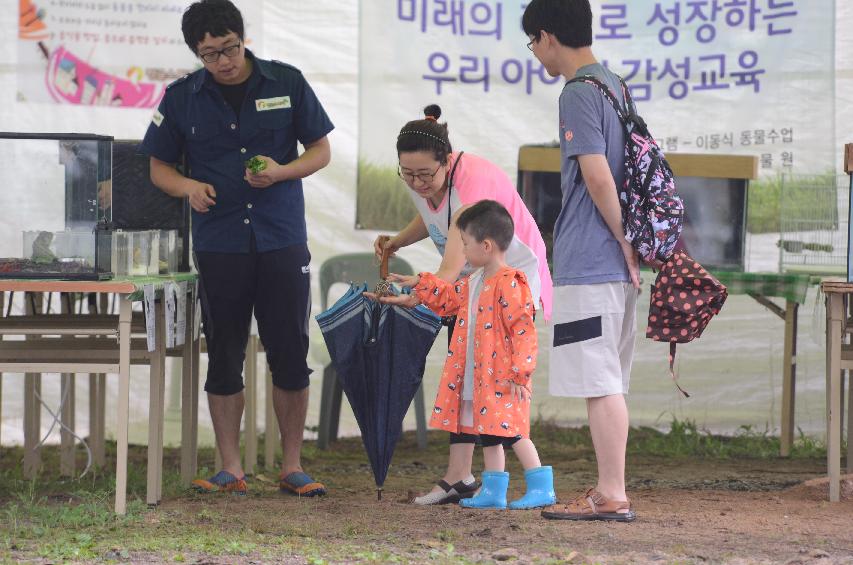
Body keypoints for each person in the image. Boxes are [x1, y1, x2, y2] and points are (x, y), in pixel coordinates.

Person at [140, 0, 333, 496]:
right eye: (210, 54)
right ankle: (231, 467)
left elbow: (321, 149)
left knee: (290, 350)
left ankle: (292, 466)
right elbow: (158, 166)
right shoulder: (182, 97)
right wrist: (187, 187)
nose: (224, 61)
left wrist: (283, 172)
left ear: (243, 38)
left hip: (281, 237)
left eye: (229, 48)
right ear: (196, 55)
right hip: (220, 240)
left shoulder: (285, 82)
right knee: (224, 350)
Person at [375, 105, 553, 505]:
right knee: (468, 378)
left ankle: (533, 484)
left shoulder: (471, 182)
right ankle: (465, 478)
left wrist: (421, 293)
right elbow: (432, 212)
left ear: (447, 161)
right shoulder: (427, 178)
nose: (417, 183)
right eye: (408, 174)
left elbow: (452, 264)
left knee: (492, 389)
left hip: (505, 288)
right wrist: (399, 242)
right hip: (474, 286)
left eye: (425, 174)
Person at [523, 0, 639, 521]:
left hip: (591, 259)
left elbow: (596, 175)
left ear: (547, 36)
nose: (535, 53)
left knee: (600, 382)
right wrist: (629, 244)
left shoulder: (575, 93)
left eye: (532, 42)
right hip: (613, 266)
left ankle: (611, 494)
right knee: (608, 379)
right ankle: (609, 489)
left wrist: (623, 239)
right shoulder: (615, 84)